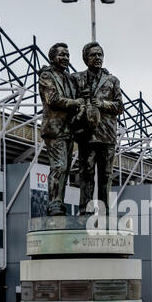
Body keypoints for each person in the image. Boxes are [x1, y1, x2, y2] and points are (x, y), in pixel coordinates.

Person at [71, 42, 124, 216]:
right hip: (86, 134)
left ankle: (104, 211)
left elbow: (119, 106)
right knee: (86, 173)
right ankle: (85, 209)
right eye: (93, 55)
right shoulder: (77, 78)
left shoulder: (112, 80)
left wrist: (102, 104)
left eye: (100, 55)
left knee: (106, 175)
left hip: (107, 135)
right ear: (86, 58)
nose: (97, 58)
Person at [39, 42, 84, 216]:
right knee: (59, 166)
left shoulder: (69, 79)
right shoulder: (46, 75)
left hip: (68, 129)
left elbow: (78, 97)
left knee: (64, 169)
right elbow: (53, 99)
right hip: (54, 129)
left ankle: (59, 203)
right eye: (61, 55)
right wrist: (76, 103)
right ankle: (54, 204)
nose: (65, 58)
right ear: (52, 57)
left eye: (67, 55)